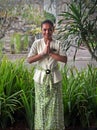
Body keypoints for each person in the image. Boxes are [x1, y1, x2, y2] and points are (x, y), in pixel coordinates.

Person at [27, 19, 67, 130]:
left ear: (53, 30)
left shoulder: (58, 44)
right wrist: (43, 53)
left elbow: (64, 59)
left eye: (49, 29)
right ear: (41, 30)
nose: (47, 32)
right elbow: (29, 60)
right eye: (44, 29)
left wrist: (50, 53)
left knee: (55, 107)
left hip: (54, 78)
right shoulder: (37, 43)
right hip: (40, 79)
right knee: (41, 107)